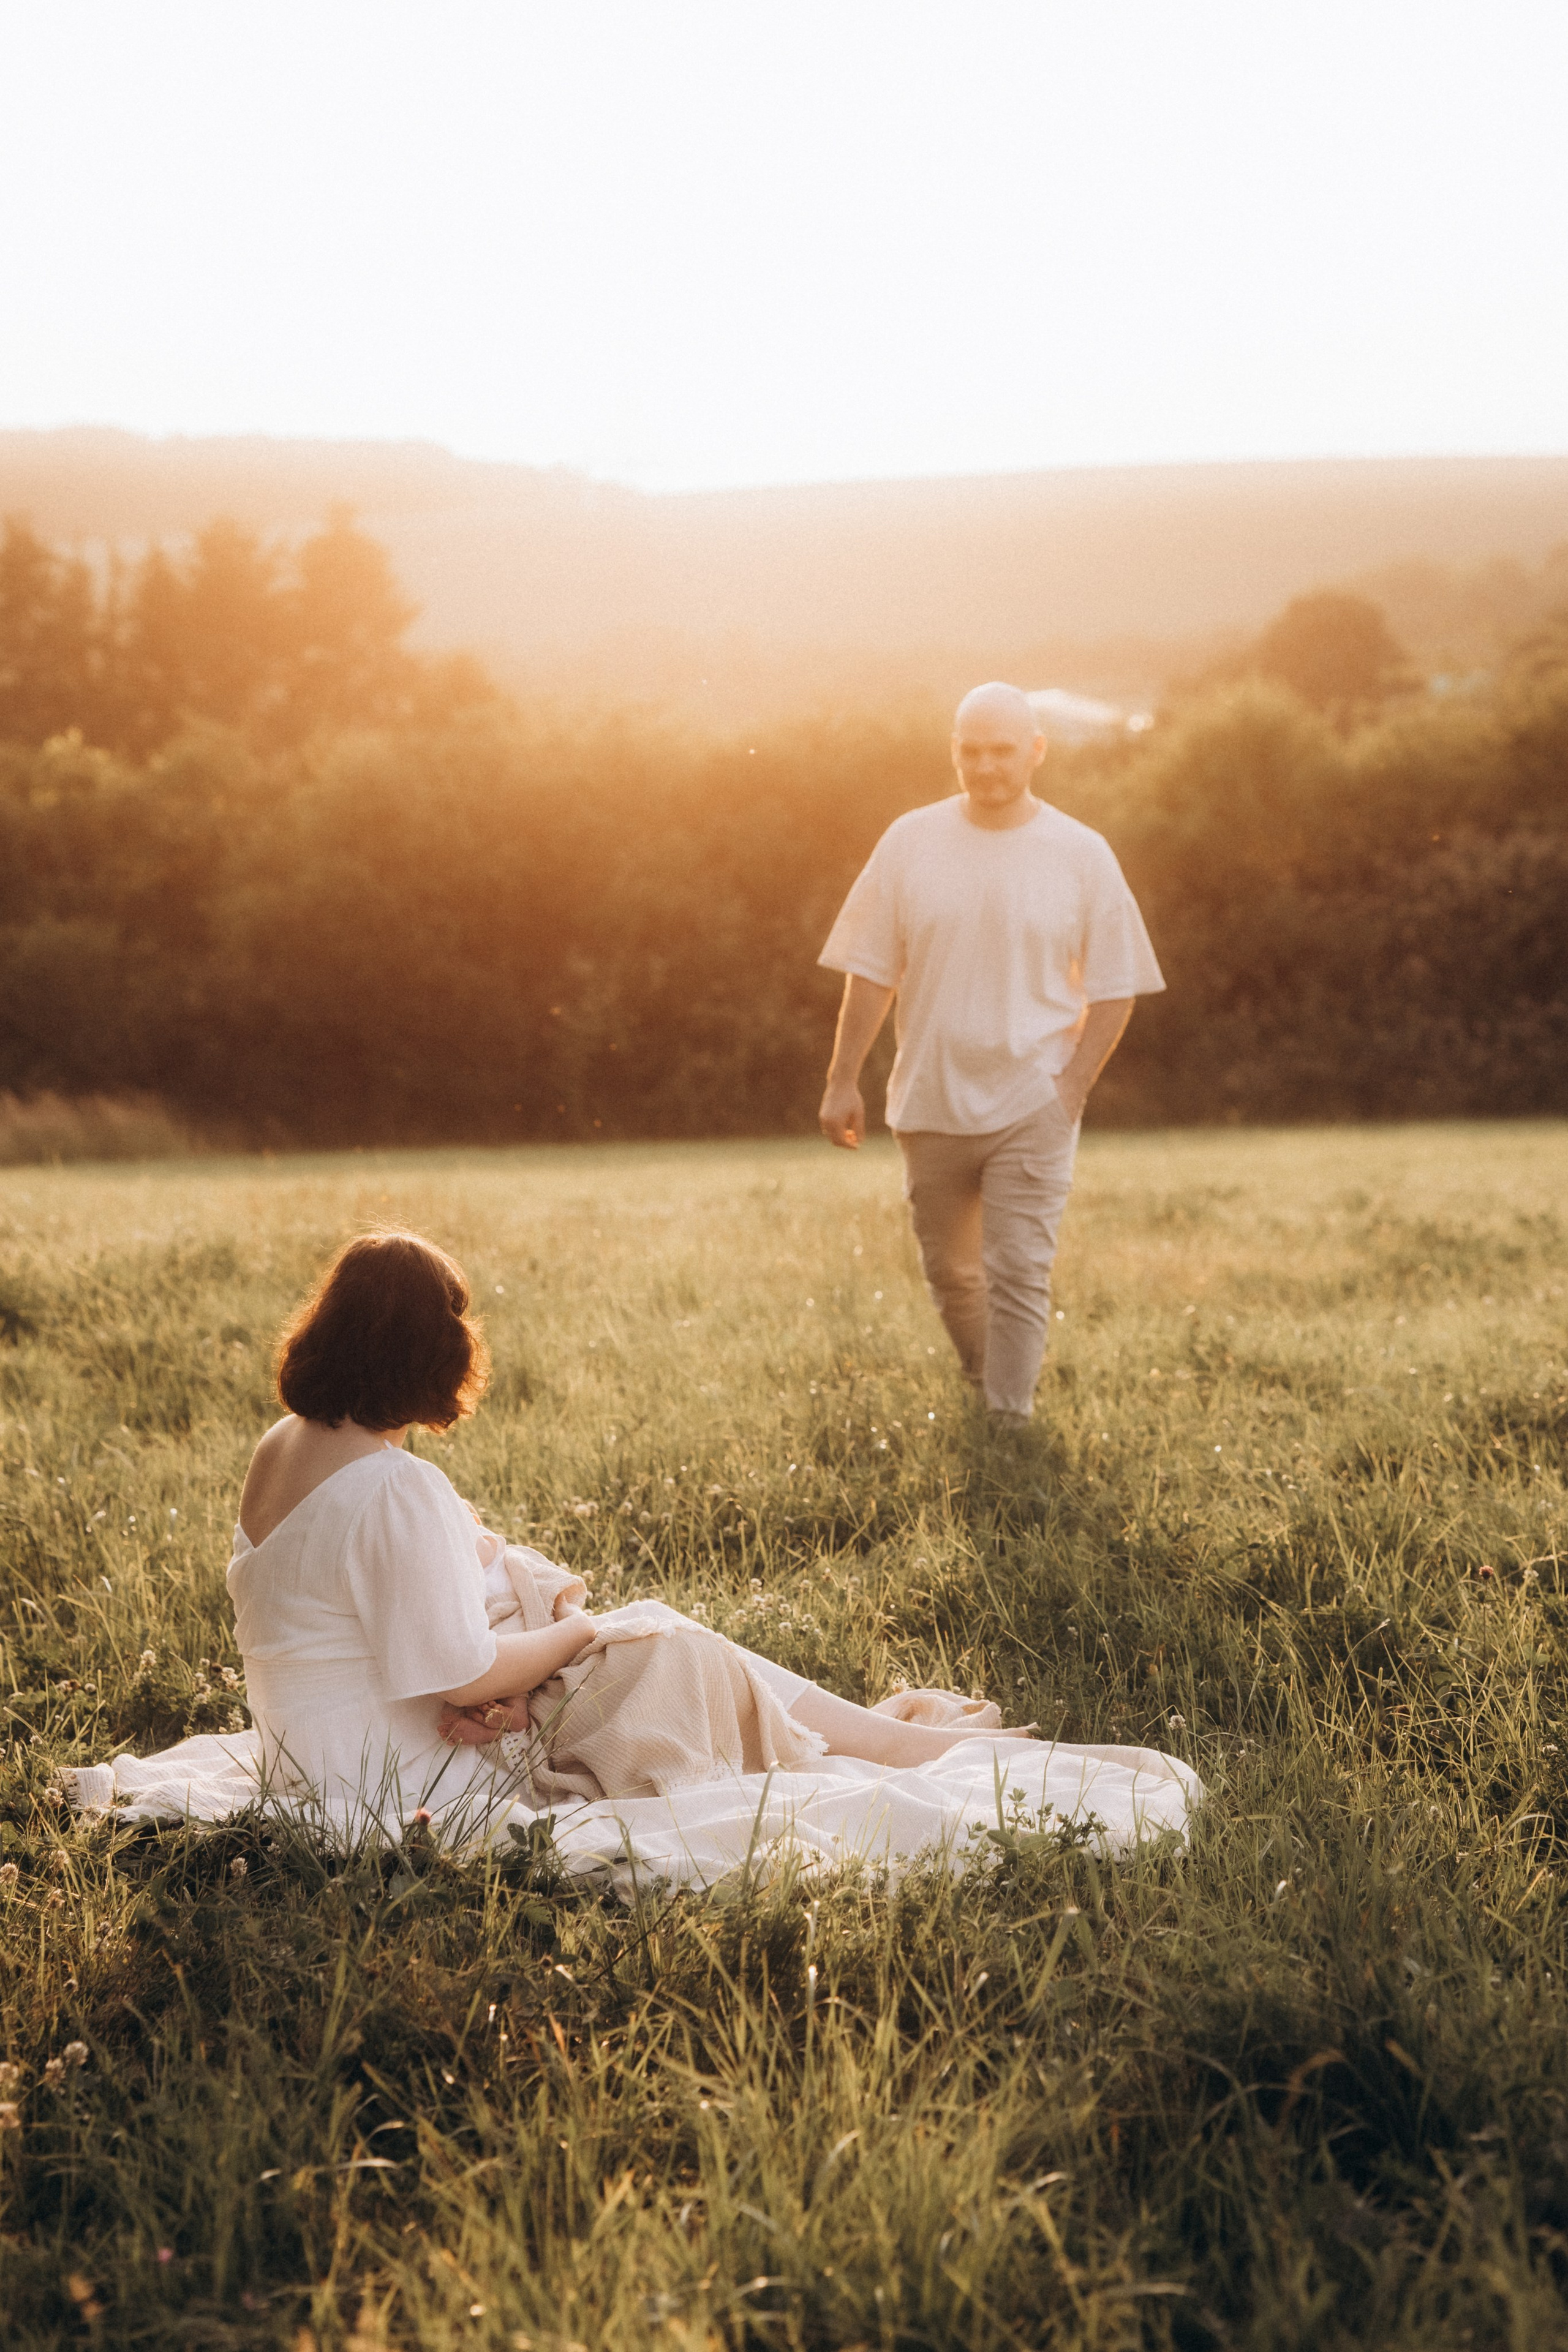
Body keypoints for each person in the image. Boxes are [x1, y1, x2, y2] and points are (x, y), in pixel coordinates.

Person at [225, 1231, 1030, 1831]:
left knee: (656, 1636)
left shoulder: (281, 1446)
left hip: (301, 1752)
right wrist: (577, 1630)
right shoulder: (394, 1484)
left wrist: (514, 1671)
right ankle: (891, 1749)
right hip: (391, 1774)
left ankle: (883, 1741)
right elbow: (462, 1680)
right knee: (669, 1647)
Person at [817, 681, 1165, 1427]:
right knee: (950, 1272)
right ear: (954, 751)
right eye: (969, 751)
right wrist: (842, 1078)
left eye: (1001, 750)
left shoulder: (1080, 853)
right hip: (929, 1097)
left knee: (1017, 1270)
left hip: (1032, 1098)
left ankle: (1010, 1422)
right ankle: (986, 1380)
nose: (985, 766)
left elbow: (1117, 987)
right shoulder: (909, 840)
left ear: (1035, 751)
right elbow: (872, 971)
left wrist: (1069, 1090)